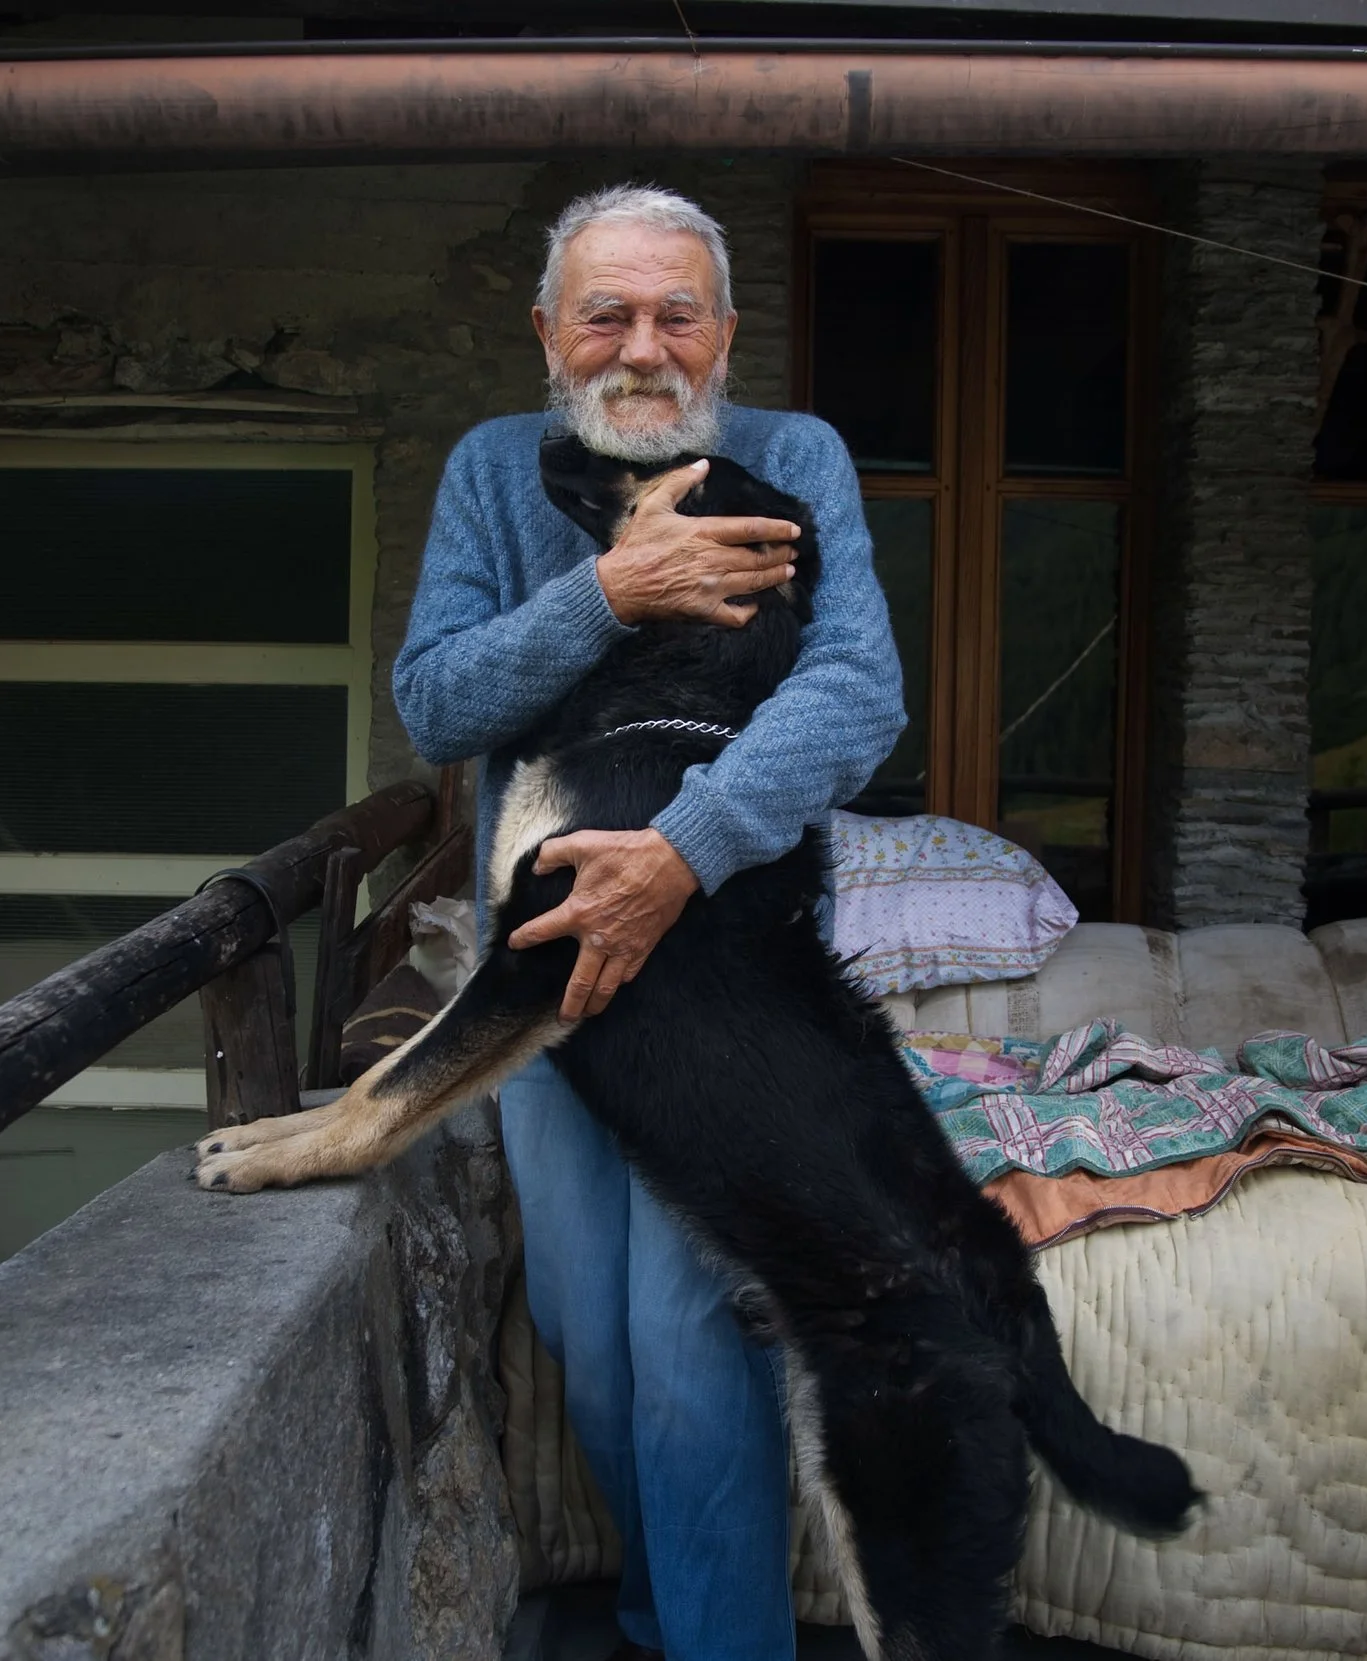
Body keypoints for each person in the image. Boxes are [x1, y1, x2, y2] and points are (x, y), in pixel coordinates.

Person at [392, 185, 904, 1661]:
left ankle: (722, 1640)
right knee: (588, 1347)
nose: (644, 347)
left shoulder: (794, 461)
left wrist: (683, 851)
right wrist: (614, 591)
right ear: (550, 334)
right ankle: (650, 1608)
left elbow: (857, 696)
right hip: (549, 978)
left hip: (728, 973)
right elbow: (435, 701)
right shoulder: (494, 472)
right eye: (606, 313)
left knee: (685, 1347)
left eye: (678, 313)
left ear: (725, 333)